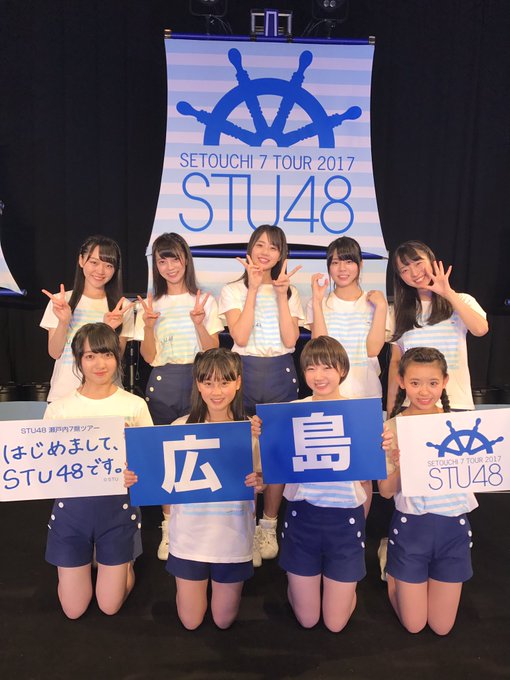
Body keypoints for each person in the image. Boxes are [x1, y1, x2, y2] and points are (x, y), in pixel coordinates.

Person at [125, 348, 262, 630]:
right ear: (198, 384)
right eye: (208, 383)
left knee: (223, 620)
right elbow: (159, 479)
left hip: (232, 537)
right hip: (189, 537)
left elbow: (264, 479)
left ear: (238, 382)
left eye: (224, 382)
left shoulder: (252, 430)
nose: (216, 391)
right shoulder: (180, 427)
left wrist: (260, 482)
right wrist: (134, 477)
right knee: (190, 621)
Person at [379, 240, 488, 578]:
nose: (413, 272)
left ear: (431, 260)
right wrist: (390, 411)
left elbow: (481, 328)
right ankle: (399, 549)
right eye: (404, 269)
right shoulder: (400, 311)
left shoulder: (460, 300)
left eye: (417, 262)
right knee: (408, 482)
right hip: (413, 411)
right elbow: (395, 364)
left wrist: (447, 292)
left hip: (455, 408)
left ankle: (449, 553)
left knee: (451, 485)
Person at [253, 336, 367, 632]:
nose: (319, 376)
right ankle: (302, 585)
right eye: (311, 368)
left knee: (335, 623)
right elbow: (273, 466)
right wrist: (260, 436)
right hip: (303, 517)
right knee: (308, 619)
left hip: (345, 519)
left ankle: (340, 590)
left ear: (342, 369)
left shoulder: (359, 412)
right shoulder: (292, 410)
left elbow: (367, 480)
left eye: (327, 367)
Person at [44, 322, 153, 619]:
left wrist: (134, 470)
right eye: (90, 356)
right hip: (71, 511)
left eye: (107, 355)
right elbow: (47, 465)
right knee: (73, 609)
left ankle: (122, 562)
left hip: (117, 509)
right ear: (78, 360)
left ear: (117, 357)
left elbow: (150, 463)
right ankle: (91, 557)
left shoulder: (134, 405)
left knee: (109, 605)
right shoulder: (59, 408)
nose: (99, 364)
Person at [135, 232, 224, 560]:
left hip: (200, 381)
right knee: (166, 457)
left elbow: (213, 349)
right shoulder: (150, 304)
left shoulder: (205, 300)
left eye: (174, 258)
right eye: (162, 260)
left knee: (202, 453)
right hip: (163, 383)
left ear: (186, 259)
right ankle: (169, 527)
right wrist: (148, 326)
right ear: (156, 265)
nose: (169, 266)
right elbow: (148, 357)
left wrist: (199, 323)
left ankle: (203, 525)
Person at [219, 224, 304, 565]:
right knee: (243, 451)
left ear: (281, 254)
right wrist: (253, 289)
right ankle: (243, 525)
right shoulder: (231, 290)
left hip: (281, 372)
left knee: (276, 454)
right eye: (260, 245)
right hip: (244, 372)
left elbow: (291, 340)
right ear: (250, 248)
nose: (265, 252)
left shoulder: (290, 290)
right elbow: (239, 337)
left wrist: (281, 295)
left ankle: (268, 525)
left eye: (273, 247)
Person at [379, 347, 477, 635]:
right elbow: (386, 492)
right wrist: (400, 463)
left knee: (441, 626)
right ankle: (391, 568)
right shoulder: (391, 428)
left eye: (433, 383)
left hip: (452, 529)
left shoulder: (461, 426)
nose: (424, 391)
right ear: (401, 382)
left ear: (445, 382)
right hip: (412, 528)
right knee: (414, 624)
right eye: (415, 382)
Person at [307, 235, 389, 516]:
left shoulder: (374, 301)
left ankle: (359, 531)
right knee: (328, 467)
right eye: (335, 262)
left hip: (365, 395)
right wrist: (317, 301)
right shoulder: (321, 303)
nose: (342, 268)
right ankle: (331, 528)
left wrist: (382, 308)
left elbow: (373, 349)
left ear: (360, 264)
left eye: (348, 261)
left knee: (363, 471)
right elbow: (319, 349)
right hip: (328, 398)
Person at [41, 235, 133, 403]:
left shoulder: (122, 306)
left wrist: (108, 330)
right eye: (94, 262)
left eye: (108, 265)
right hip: (65, 394)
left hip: (108, 396)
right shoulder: (61, 301)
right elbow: (54, 352)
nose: (100, 271)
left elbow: (117, 357)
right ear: (81, 260)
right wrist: (63, 322)